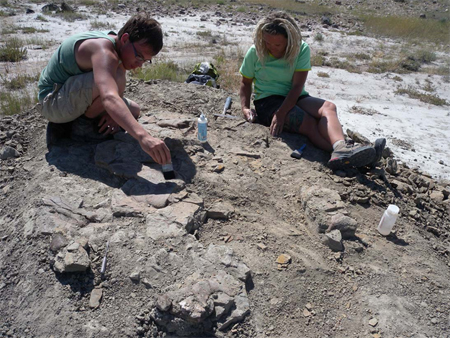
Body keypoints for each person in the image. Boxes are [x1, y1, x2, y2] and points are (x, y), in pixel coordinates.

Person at [239, 11, 385, 170]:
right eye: (267, 43)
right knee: (307, 121)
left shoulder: (300, 49)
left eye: (278, 45)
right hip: (267, 101)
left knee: (328, 107)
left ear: (290, 40)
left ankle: (341, 147)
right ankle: (343, 155)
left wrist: (282, 113)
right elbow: (246, 83)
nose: (271, 48)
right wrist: (245, 108)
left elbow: (297, 87)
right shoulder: (255, 51)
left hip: (295, 96)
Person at [37, 13, 171, 165]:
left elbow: (112, 97)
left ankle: (82, 121)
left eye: (146, 61)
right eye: (139, 56)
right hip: (52, 102)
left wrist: (114, 115)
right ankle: (81, 129)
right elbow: (109, 97)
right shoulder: (104, 52)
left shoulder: (117, 44)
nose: (139, 64)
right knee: (117, 79)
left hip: (70, 95)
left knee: (134, 110)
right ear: (125, 38)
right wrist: (143, 137)